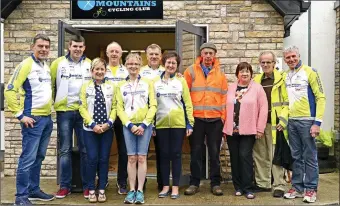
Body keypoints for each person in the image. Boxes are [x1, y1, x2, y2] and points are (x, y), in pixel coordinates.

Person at [4, 34, 55, 205]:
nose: (44, 49)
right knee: (27, 159)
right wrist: (20, 115)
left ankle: (34, 190)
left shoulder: (45, 66)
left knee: (39, 157)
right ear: (32, 47)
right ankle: (21, 198)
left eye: (46, 47)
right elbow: (10, 90)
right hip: (32, 119)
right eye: (40, 46)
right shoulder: (26, 65)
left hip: (46, 119)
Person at [183, 42, 228, 196]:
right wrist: (187, 119)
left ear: (215, 55)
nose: (208, 56)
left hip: (215, 119)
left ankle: (216, 183)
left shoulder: (220, 74)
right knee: (195, 152)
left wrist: (223, 118)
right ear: (201, 55)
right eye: (205, 53)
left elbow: (224, 97)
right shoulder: (190, 71)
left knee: (215, 153)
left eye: (211, 53)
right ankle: (194, 183)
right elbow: (185, 95)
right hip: (197, 119)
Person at [282, 46, 326, 203]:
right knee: (296, 157)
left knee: (310, 156)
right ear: (285, 60)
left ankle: (311, 189)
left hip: (308, 121)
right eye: (288, 58)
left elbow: (321, 97)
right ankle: (298, 188)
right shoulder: (285, 75)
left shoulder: (310, 72)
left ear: (299, 56)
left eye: (293, 56)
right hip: (292, 122)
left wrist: (317, 123)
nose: (291, 59)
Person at [50, 35, 91, 199]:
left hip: (83, 112)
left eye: (81, 47)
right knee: (65, 150)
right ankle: (65, 186)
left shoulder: (90, 64)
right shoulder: (58, 63)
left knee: (86, 150)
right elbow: (49, 85)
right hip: (64, 111)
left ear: (84, 48)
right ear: (69, 46)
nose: (78, 49)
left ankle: (88, 186)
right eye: (75, 46)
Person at [222, 62, 268, 199]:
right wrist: (224, 127)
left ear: (251, 74)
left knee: (245, 156)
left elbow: (263, 109)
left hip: (248, 130)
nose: (244, 73)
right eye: (241, 71)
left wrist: (260, 128)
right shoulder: (231, 88)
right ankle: (238, 187)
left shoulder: (257, 88)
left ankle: (248, 187)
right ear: (237, 74)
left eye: (247, 71)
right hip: (232, 130)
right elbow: (225, 107)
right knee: (234, 158)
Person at [116, 53, 157, 204]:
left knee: (142, 157)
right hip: (128, 126)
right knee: (131, 158)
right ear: (126, 65)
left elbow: (153, 105)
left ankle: (140, 191)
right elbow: (119, 108)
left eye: (136, 64)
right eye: (130, 64)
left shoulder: (148, 83)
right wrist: (129, 125)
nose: (133, 66)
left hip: (145, 125)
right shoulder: (120, 85)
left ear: (140, 66)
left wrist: (145, 124)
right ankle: (131, 190)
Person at [154, 52, 194, 199]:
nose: (170, 65)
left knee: (176, 155)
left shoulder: (181, 81)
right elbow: (152, 104)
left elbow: (188, 103)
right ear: (163, 63)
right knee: (164, 155)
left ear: (177, 66)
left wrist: (190, 123)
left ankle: (175, 187)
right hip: (161, 124)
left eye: (173, 63)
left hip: (178, 124)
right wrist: (152, 124)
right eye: (168, 62)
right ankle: (165, 186)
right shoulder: (155, 82)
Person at [79, 58, 117, 203]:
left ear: (105, 71)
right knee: (92, 158)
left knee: (103, 159)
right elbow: (82, 107)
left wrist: (109, 123)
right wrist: (92, 124)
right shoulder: (85, 87)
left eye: (102, 69)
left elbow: (114, 107)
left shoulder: (111, 87)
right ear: (91, 71)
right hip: (90, 129)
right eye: (97, 69)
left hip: (107, 129)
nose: (100, 72)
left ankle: (101, 188)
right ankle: (90, 188)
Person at [252, 51, 289, 197]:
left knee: (276, 155)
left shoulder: (282, 79)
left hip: (276, 124)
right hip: (260, 124)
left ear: (274, 63)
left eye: (269, 62)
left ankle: (279, 185)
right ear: (260, 64)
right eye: (263, 62)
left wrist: (283, 119)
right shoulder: (256, 80)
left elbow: (287, 102)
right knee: (260, 155)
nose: (266, 65)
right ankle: (263, 183)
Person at [139, 43, 165, 191]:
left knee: (161, 152)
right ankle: (140, 183)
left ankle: (161, 183)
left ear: (160, 56)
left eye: (156, 54)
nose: (154, 57)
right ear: (146, 56)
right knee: (142, 153)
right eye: (151, 54)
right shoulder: (140, 72)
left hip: (161, 116)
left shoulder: (167, 70)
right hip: (144, 118)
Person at [105, 41, 129, 195]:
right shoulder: (100, 69)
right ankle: (103, 180)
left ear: (121, 54)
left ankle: (122, 182)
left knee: (124, 151)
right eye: (111, 51)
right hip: (104, 114)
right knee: (104, 151)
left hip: (122, 115)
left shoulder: (127, 71)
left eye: (117, 51)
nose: (114, 54)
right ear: (107, 54)